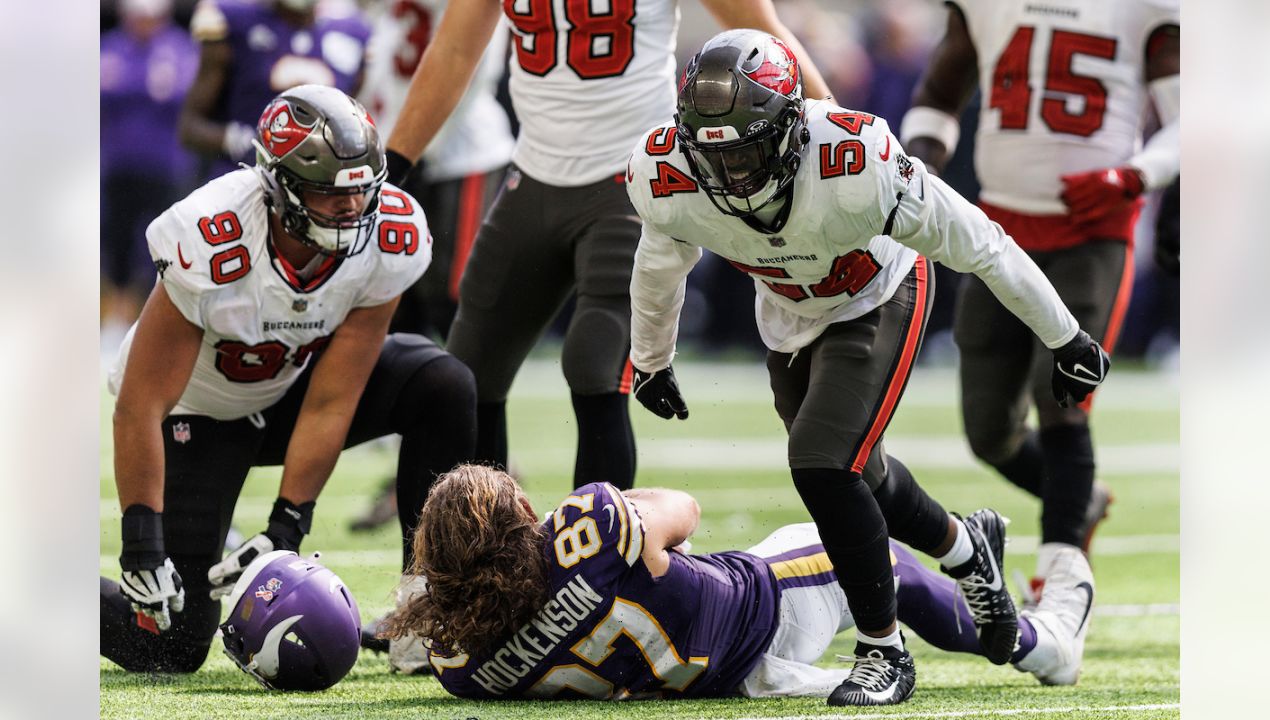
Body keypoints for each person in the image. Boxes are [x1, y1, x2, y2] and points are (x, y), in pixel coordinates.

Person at [624, 30, 1110, 705]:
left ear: (792, 128)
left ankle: (885, 652)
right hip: (791, 313)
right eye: (717, 156)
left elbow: (983, 245)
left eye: (748, 150)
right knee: (864, 478)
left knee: (823, 462)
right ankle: (966, 549)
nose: (734, 175)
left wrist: (1067, 337)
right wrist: (650, 358)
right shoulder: (665, 174)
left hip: (880, 295)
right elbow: (659, 265)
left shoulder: (858, 161)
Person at [381, 0, 834, 493]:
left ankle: (597, 562)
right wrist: (394, 166)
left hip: (632, 176)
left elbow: (762, 31)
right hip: (533, 174)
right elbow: (452, 51)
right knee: (469, 372)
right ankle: (485, 552)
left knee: (593, 363)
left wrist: (836, 133)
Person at [99, 85, 477, 673]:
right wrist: (140, 540)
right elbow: (141, 403)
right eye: (331, 195)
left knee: (441, 383)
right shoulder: (212, 234)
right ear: (280, 186)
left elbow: (334, 398)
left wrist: (286, 526)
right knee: (168, 646)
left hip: (292, 384)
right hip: (199, 413)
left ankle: (425, 608)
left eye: (360, 190)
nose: (353, 210)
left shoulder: (387, 235)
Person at [382, 466, 1095, 702]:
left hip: (713, 675)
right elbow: (684, 510)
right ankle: (1041, 642)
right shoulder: (588, 530)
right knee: (879, 560)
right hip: (763, 610)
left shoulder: (458, 664)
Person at [900, 0, 1179, 597]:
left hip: (1091, 231)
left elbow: (1189, 120)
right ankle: (1085, 500)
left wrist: (1134, 176)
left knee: (1064, 397)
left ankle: (1060, 578)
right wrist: (917, 170)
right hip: (997, 233)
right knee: (988, 432)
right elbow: (939, 95)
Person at [349, 0, 516, 534]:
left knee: (459, 313)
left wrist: (414, 147)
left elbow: (471, 53)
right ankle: (426, 471)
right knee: (398, 313)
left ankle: (491, 475)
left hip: (455, 155)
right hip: (398, 151)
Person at [179, 0, 371, 182]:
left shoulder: (355, 34)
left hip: (319, 187)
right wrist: (238, 140)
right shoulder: (235, 20)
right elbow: (190, 127)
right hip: (245, 181)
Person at [100, 0, 199, 343]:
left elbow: (187, 96)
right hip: (117, 161)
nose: (144, 24)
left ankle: (146, 314)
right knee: (115, 239)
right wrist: (146, 89)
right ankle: (116, 310)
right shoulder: (111, 45)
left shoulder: (179, 48)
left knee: (158, 240)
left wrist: (129, 88)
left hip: (165, 164)